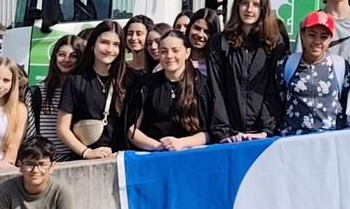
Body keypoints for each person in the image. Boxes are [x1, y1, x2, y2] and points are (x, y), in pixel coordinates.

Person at [206, 0, 289, 144]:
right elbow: (216, 89)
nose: (249, 9)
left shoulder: (274, 43)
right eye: (245, 3)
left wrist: (266, 130)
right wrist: (223, 132)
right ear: (237, 5)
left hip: (261, 136)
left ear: (263, 9)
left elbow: (274, 88)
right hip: (229, 135)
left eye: (256, 5)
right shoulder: (220, 42)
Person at [127, 30, 212, 150]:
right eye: (164, 51)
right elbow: (132, 130)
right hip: (154, 152)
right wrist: (158, 146)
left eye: (175, 50)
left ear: (187, 52)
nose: (169, 56)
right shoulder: (145, 85)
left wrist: (181, 143)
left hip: (192, 152)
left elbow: (211, 131)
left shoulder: (203, 84)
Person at [57, 21, 129, 160]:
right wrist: (86, 152)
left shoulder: (129, 79)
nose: (110, 49)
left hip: (122, 159)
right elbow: (62, 128)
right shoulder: (75, 80)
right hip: (85, 161)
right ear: (92, 44)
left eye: (116, 44)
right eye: (104, 42)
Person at [279, 11, 350, 135]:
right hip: (293, 139)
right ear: (303, 35)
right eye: (312, 35)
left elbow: (348, 104)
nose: (317, 41)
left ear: (330, 39)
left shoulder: (341, 66)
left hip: (330, 139)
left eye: (323, 37)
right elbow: (275, 102)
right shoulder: (286, 64)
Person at [29, 34, 84, 161]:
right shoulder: (38, 92)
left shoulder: (84, 91)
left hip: (76, 159)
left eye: (73, 56)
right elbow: (32, 133)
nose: (66, 60)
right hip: (47, 160)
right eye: (61, 55)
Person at [187, 9, 218, 74]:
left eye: (206, 32)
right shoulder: (177, 58)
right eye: (197, 28)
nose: (200, 35)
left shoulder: (217, 66)